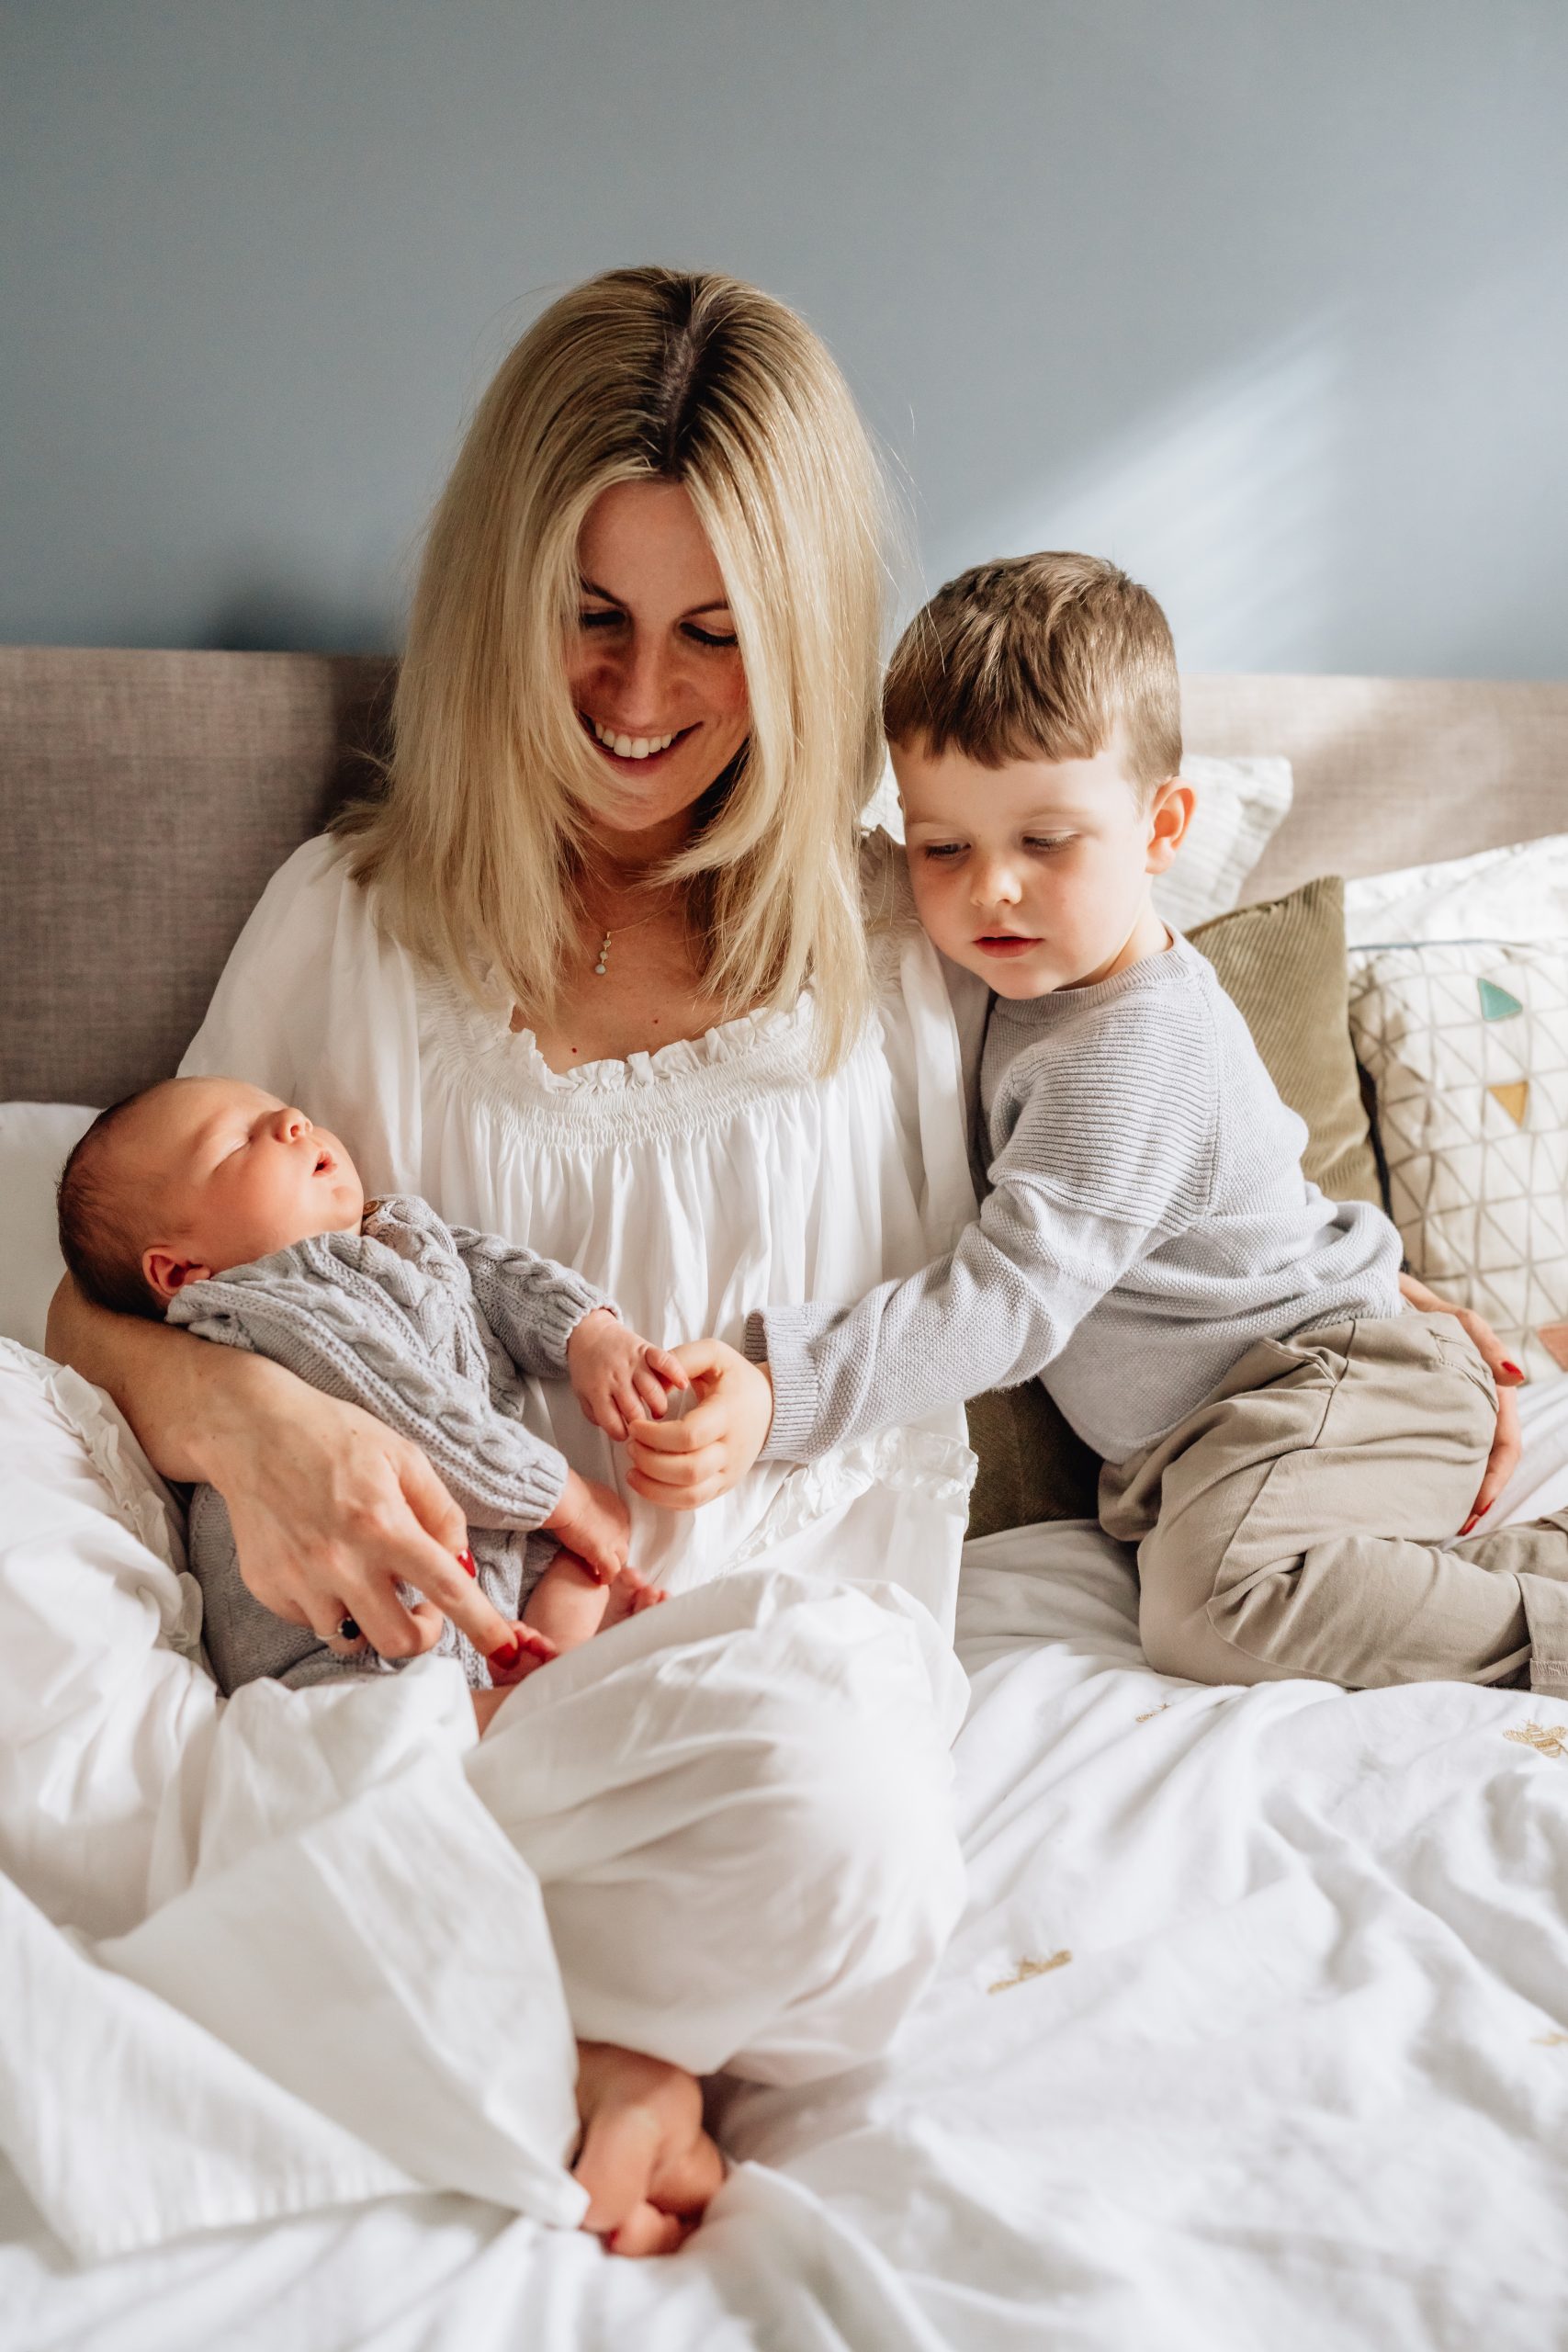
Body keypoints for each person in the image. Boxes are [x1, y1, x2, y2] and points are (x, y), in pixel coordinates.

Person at [45, 266, 979, 2251]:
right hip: (411, 1670)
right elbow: (109, 1288)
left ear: (806, 641)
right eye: (591, 620)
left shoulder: (904, 950)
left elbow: (1137, 1175)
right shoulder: (345, 924)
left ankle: (567, 2018)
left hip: (732, 1683)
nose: (638, 704)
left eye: (715, 636)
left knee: (852, 1811)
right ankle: (555, 1985)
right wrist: (236, 1416)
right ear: (498, 606)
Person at [642, 551, 1568, 1697]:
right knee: (1224, 1566)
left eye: (1045, 842)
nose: (992, 890)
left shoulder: (1128, 1051)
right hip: (1240, 1424)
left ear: (1163, 826)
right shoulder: (1029, 981)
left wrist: (787, 1388)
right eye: (945, 847)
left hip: (1328, 1379)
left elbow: (1008, 1301)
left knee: (1213, 1608)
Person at [54, 1074, 684, 1699]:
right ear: (180, 1269)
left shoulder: (398, 1232)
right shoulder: (267, 1305)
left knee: (585, 1571)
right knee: (370, 1690)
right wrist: (567, 1500)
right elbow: (417, 1419)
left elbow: (496, 1278)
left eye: (277, 1108)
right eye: (238, 1143)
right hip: (327, 1615)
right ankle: (502, 1707)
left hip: (484, 1543)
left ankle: (541, 1674)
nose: (292, 1120)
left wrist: (586, 1333)